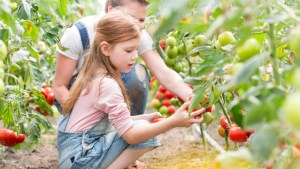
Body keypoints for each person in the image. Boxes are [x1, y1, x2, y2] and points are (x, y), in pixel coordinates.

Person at [57, 11, 204, 169]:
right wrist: (172, 122)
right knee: (147, 136)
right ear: (106, 48)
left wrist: (144, 118)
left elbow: (103, 123)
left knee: (143, 125)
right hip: (79, 159)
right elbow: (132, 136)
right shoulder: (107, 85)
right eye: (128, 51)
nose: (135, 56)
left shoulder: (94, 73)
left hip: (73, 153)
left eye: (137, 50)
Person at [52, 0, 193, 117]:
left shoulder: (137, 33)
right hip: (75, 96)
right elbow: (59, 87)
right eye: (132, 17)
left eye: (142, 19)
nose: (139, 25)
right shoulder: (77, 35)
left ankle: (128, 133)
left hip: (109, 92)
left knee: (137, 75)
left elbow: (162, 71)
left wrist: (191, 97)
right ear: (110, 9)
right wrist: (83, 117)